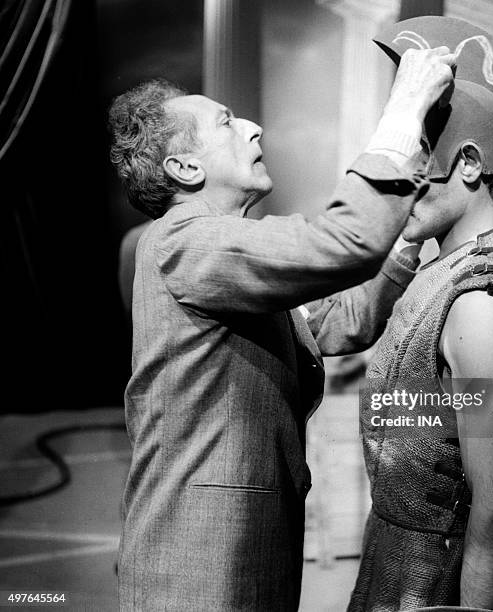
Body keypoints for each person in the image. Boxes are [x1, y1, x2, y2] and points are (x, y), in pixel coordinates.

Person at [108, 48, 455, 611]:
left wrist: (409, 238)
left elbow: (338, 323)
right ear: (186, 169)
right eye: (226, 121)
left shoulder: (219, 252)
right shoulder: (186, 240)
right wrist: (405, 105)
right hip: (198, 566)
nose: (252, 126)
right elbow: (345, 242)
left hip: (237, 554)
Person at [349, 16, 493, 612]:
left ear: (466, 164)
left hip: (440, 581)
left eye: (415, 161)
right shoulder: (446, 269)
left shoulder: (483, 304)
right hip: (402, 560)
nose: (399, 182)